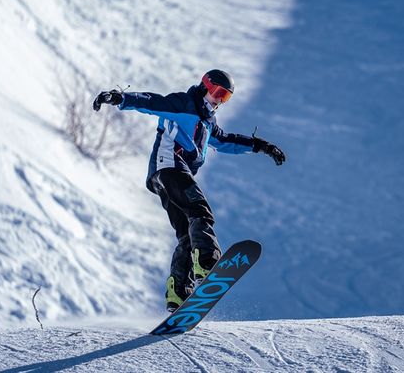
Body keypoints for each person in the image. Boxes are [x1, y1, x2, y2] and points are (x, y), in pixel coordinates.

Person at [93, 69, 286, 312]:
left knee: (186, 234)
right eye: (218, 93)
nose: (219, 100)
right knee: (200, 211)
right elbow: (152, 102)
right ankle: (206, 263)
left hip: (165, 178)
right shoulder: (184, 104)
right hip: (169, 166)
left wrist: (261, 146)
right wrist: (119, 98)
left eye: (225, 97)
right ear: (206, 86)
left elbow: (225, 141)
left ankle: (178, 293)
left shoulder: (207, 122)